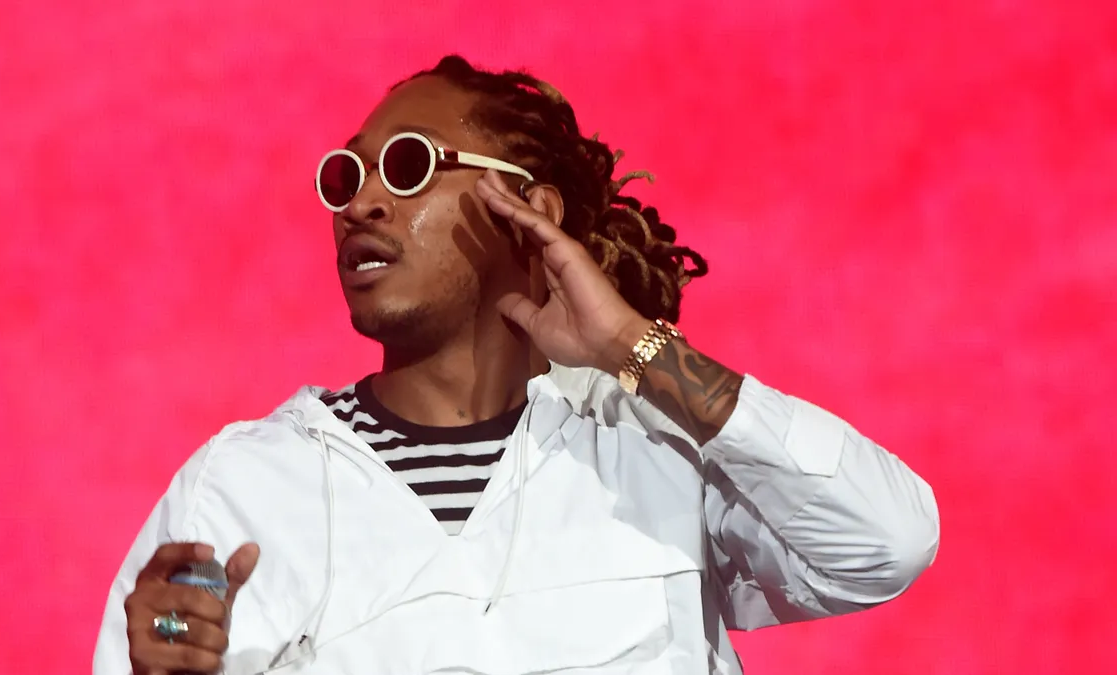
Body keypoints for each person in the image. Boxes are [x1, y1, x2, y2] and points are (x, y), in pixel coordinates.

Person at [94, 55, 940, 675]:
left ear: (529, 208)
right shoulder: (244, 485)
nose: (361, 203)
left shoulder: (655, 445)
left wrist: (636, 350)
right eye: (347, 175)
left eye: (407, 164)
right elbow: (163, 651)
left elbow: (885, 543)